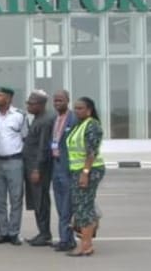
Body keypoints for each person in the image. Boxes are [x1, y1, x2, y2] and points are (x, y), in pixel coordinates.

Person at [0, 86, 28, 245]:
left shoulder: (19, 115)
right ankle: (3, 232)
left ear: (9, 99)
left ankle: (14, 233)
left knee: (16, 198)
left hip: (15, 162)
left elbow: (25, 138)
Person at [66, 97, 105, 258]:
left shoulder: (92, 125)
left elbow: (91, 152)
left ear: (89, 110)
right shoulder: (78, 125)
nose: (77, 111)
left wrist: (85, 173)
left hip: (89, 170)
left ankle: (86, 246)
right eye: (75, 108)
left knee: (84, 207)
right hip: (77, 170)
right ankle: (86, 242)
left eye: (80, 108)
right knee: (82, 205)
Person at [22, 90, 55, 246]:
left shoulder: (46, 121)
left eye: (31, 103)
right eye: (28, 103)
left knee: (41, 200)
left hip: (38, 168)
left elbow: (43, 147)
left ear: (41, 105)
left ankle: (45, 233)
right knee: (36, 200)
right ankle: (42, 232)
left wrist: (37, 169)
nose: (28, 106)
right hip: (30, 165)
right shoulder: (38, 118)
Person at [49, 90, 79, 252]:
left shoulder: (73, 119)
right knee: (60, 205)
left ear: (68, 101)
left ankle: (66, 240)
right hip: (56, 165)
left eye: (60, 100)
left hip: (68, 167)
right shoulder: (55, 119)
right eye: (55, 100)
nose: (57, 103)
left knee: (67, 205)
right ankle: (66, 238)